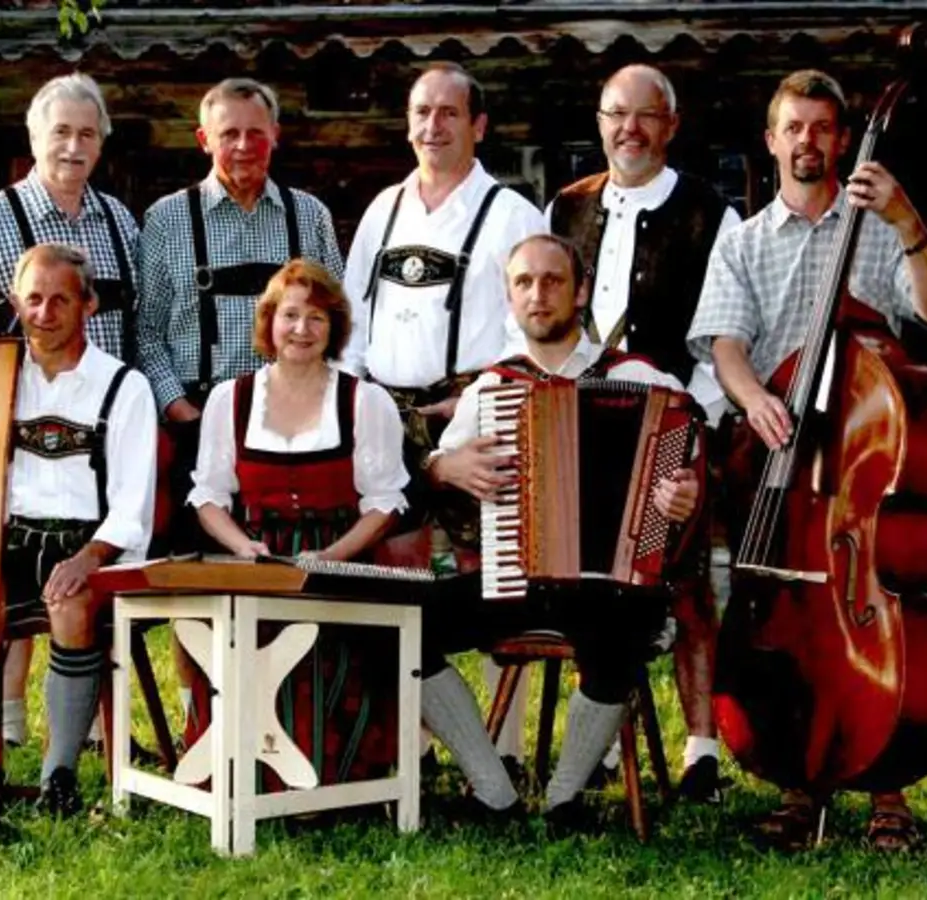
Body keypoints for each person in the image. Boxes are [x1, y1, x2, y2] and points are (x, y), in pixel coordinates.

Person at [686, 69, 927, 851]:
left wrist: (908, 222)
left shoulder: (878, 227)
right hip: (775, 461)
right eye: (792, 127)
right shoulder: (740, 241)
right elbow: (726, 345)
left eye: (821, 128)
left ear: (843, 140)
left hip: (865, 454)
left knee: (873, 609)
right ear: (771, 141)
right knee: (788, 618)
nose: (806, 141)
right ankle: (801, 780)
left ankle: (888, 785)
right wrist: (751, 397)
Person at [417, 234, 703, 825]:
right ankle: (493, 788)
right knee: (406, 626)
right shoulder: (491, 388)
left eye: (552, 281)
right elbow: (437, 470)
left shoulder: (646, 381)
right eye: (524, 283)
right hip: (515, 577)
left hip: (613, 584)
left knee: (621, 627)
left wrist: (684, 497)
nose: (537, 294)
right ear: (509, 296)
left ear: (580, 293)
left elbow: (690, 477)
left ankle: (564, 798)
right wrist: (444, 466)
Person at [547, 63, 742, 804]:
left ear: (671, 124)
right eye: (615, 114)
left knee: (686, 586)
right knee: (588, 576)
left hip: (676, 418)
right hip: (581, 422)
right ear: (599, 122)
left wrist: (692, 425)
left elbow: (720, 332)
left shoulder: (707, 212)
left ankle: (701, 752)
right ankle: (602, 743)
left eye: (645, 116)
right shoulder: (564, 208)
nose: (629, 130)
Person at [183, 258, 410, 789]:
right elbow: (210, 495)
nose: (301, 330)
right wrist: (243, 548)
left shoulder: (364, 400)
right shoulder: (230, 399)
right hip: (257, 561)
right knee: (230, 641)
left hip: (341, 564)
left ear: (334, 328)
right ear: (269, 322)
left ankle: (330, 781)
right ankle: (240, 775)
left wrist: (331, 557)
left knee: (325, 649)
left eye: (316, 318)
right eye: (289, 316)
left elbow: (385, 502)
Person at [0, 73, 145, 748]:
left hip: (108, 420)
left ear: (102, 141)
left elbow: (142, 321)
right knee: (10, 563)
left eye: (86, 133)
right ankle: (8, 717)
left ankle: (98, 725)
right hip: (27, 417)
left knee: (90, 568)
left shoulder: (119, 221)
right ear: (34, 137)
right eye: (60, 132)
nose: (73, 146)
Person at [341, 62, 547, 554]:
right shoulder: (384, 208)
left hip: (473, 410)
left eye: (449, 113)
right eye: (422, 112)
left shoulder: (513, 215)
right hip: (385, 412)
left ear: (478, 126)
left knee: (483, 564)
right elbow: (351, 317)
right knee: (394, 562)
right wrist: (350, 396)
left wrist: (480, 401)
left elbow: (533, 330)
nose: (433, 127)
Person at [139, 77, 345, 557]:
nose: (243, 146)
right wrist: (182, 412)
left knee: (293, 568)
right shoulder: (168, 219)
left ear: (275, 134)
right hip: (198, 418)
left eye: (256, 133)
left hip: (294, 427)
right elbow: (147, 333)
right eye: (229, 133)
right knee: (201, 580)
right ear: (204, 139)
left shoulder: (308, 215)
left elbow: (338, 321)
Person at [0, 243, 157, 815]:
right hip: (13, 541)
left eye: (60, 299)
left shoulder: (123, 386)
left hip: (94, 543)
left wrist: (87, 558)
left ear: (88, 305)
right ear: (15, 301)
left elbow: (132, 508)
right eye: (32, 299)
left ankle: (57, 776)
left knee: (68, 602)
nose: (44, 313)